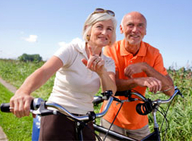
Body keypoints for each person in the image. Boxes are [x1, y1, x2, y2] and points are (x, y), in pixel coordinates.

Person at [9, 8, 117, 140]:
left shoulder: (108, 62)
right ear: (88, 29)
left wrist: (102, 73)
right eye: (99, 27)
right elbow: (44, 72)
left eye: (109, 29)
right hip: (58, 115)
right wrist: (23, 92)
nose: (104, 32)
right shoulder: (72, 49)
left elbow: (110, 92)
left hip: (86, 118)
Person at [100, 11, 175, 140]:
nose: (135, 30)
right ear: (121, 29)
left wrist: (145, 67)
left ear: (145, 31)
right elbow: (110, 87)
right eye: (130, 25)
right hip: (112, 119)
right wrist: (138, 81)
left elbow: (170, 90)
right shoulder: (110, 49)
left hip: (139, 120)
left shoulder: (154, 53)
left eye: (140, 26)